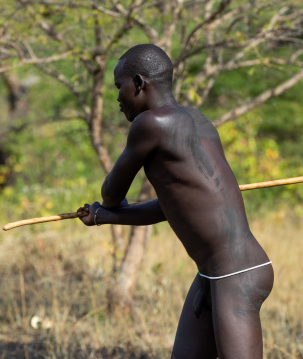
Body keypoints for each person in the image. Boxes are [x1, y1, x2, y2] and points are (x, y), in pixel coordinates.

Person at [78, 44, 273, 359]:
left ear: (139, 84)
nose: (117, 97)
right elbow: (172, 207)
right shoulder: (198, 120)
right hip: (215, 273)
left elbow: (111, 194)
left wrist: (107, 208)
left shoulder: (151, 124)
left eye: (120, 86)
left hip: (235, 274)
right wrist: (105, 218)